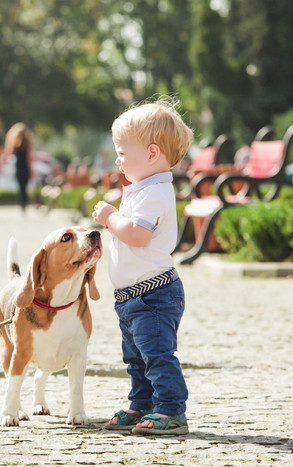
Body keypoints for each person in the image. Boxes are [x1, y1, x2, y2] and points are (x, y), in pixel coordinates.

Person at [91, 97, 193, 436]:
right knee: (136, 358)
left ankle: (171, 409)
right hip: (131, 296)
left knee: (158, 355)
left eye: (122, 152)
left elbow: (135, 235)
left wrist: (110, 217)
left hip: (154, 295)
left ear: (151, 154)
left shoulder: (156, 193)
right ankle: (142, 403)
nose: (118, 160)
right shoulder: (141, 189)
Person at [4, 122, 34, 213]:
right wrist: (31, 170)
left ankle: (22, 204)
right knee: (25, 188)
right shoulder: (27, 145)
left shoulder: (14, 145)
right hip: (25, 169)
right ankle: (24, 204)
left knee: (21, 188)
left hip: (18, 168)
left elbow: (7, 155)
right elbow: (29, 159)